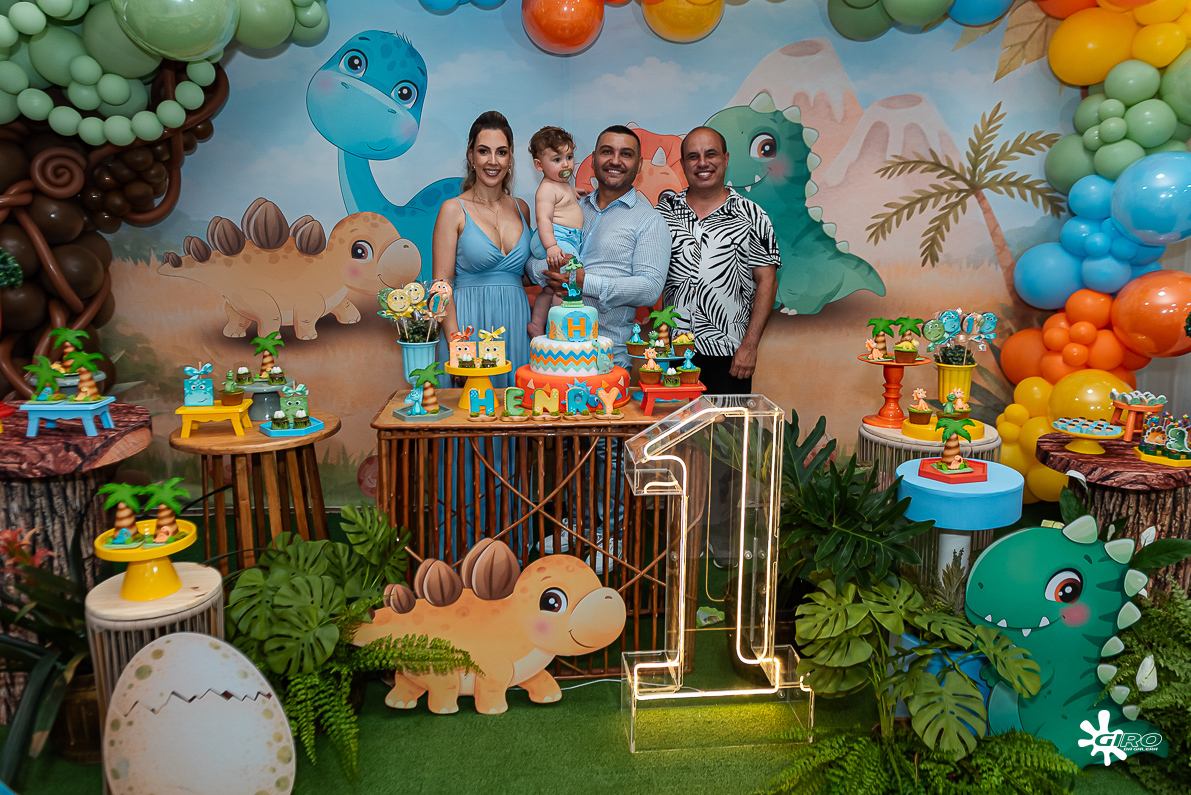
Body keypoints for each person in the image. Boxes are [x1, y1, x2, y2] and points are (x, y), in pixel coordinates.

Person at [526, 125, 671, 368]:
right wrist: (550, 271)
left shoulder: (649, 221)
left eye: (626, 154)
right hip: (553, 356)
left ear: (639, 165)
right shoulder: (572, 205)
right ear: (593, 160)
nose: (615, 160)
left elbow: (649, 289)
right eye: (607, 151)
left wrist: (584, 282)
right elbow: (533, 258)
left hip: (605, 359)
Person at [657, 126, 779, 395]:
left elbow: (767, 281)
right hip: (672, 354)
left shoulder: (752, 215)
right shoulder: (662, 213)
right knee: (673, 423)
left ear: (725, 159)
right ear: (683, 164)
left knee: (726, 424)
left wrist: (750, 346)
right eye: (693, 156)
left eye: (710, 154)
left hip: (729, 356)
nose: (702, 163)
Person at [433, 110, 531, 388]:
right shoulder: (453, 209)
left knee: (514, 406)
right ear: (471, 156)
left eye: (501, 152)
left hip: (515, 325)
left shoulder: (522, 209)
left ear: (510, 158)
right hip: (468, 326)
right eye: (483, 151)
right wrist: (457, 345)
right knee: (470, 407)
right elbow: (441, 286)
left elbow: (526, 275)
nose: (493, 161)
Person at [526, 126, 585, 337]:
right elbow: (543, 219)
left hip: (564, 238)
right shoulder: (546, 189)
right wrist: (551, 246)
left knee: (550, 288)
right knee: (568, 278)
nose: (566, 164)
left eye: (569, 157)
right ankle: (560, 322)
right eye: (557, 159)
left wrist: (571, 193)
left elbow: (562, 199)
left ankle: (536, 323)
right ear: (539, 165)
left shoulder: (562, 183)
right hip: (555, 237)